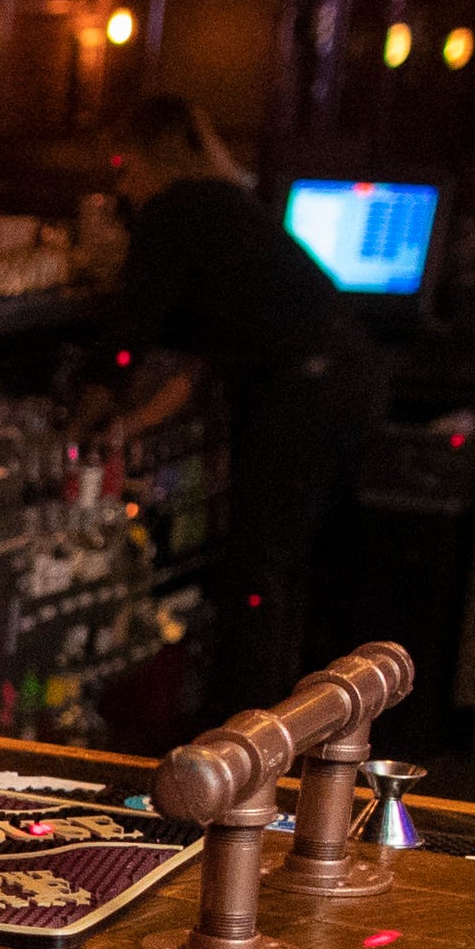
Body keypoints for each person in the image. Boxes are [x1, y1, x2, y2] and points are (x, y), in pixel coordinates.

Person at [74, 95, 390, 723]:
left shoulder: (175, 209)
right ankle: (280, 726)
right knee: (284, 569)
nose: (121, 187)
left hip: (304, 390)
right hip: (347, 379)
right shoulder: (232, 206)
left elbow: (130, 328)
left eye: (123, 167)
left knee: (258, 568)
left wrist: (92, 401)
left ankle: (243, 737)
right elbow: (205, 358)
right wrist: (131, 422)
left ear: (145, 161)